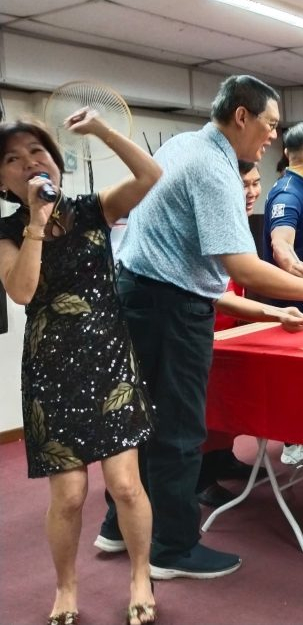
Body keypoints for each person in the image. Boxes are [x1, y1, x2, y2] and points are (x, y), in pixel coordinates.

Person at [97, 74, 303, 581]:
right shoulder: (214, 168)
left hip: (140, 297)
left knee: (144, 422)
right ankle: (172, 547)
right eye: (269, 126)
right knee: (177, 430)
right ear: (242, 116)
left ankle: (117, 525)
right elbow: (241, 267)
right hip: (172, 308)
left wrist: (278, 309)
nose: (271, 141)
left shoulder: (181, 144)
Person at [0, 112, 160, 625]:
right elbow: (22, 290)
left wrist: (104, 132)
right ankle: (66, 588)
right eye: (12, 159)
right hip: (51, 370)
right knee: (68, 495)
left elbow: (150, 177)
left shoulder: (94, 209)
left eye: (37, 152)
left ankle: (140, 575)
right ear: (1, 180)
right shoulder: (6, 232)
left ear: (57, 160)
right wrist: (36, 224)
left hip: (109, 358)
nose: (28, 163)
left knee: (126, 484)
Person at [199, 160, 303, 507]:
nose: (253, 192)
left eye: (256, 183)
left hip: (232, 328)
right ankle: (200, 476)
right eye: (244, 185)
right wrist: (301, 298)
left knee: (227, 400)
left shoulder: (237, 220)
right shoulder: (208, 222)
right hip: (204, 328)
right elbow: (218, 294)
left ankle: (221, 457)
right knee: (206, 405)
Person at [261, 121, 303, 469]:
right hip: (290, 304)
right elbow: (280, 243)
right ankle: (292, 444)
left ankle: (302, 437)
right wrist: (291, 263)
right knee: (293, 379)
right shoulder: (289, 192)